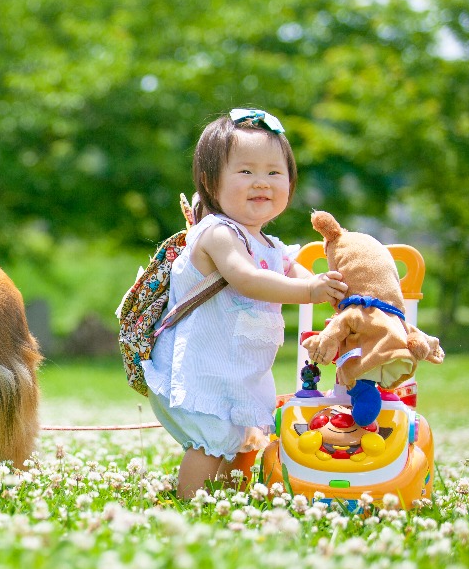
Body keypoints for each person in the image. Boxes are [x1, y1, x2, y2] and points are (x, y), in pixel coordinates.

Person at [142, 108, 348, 500]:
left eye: (275, 173)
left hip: (238, 370)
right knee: (211, 439)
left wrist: (338, 295)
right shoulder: (217, 234)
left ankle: (226, 500)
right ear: (209, 181)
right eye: (246, 171)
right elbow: (247, 278)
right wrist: (309, 292)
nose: (262, 183)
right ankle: (191, 502)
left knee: (239, 439)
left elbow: (298, 274)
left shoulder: (271, 246)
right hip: (199, 370)